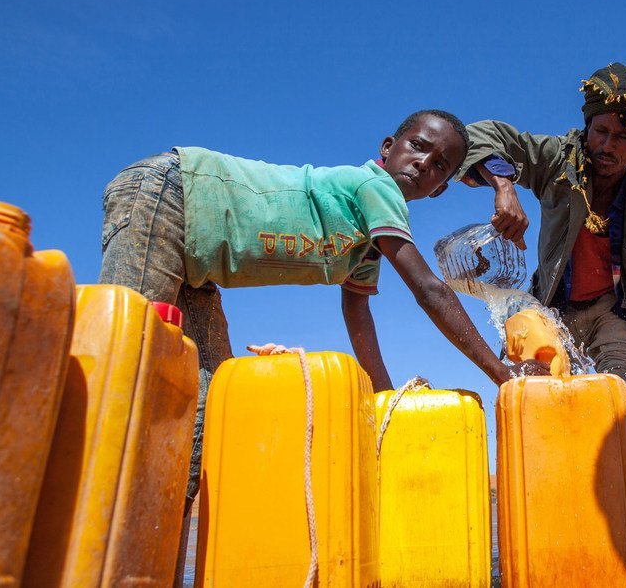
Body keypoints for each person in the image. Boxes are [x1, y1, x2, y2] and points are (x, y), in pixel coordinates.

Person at [97, 109, 542, 555]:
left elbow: (357, 309)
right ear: (388, 149)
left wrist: (384, 398)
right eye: (418, 146)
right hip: (170, 195)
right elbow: (429, 290)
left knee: (198, 420)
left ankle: (147, 563)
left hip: (196, 267)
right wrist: (503, 374)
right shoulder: (374, 187)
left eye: (440, 165)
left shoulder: (365, 239)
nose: (425, 163)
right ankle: (93, 551)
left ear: (440, 188)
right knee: (133, 388)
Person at [459, 63, 626, 565]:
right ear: (588, 127)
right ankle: (546, 534)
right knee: (533, 406)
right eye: (600, 131)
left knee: (623, 415)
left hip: (617, 314)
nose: (606, 145)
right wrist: (505, 188)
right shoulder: (556, 160)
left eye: (621, 138)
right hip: (553, 308)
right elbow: (482, 135)